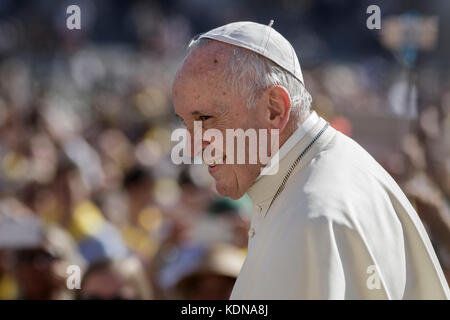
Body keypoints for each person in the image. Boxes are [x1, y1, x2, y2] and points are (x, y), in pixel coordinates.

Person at [172, 21, 450, 299]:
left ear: (273, 110)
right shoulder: (309, 178)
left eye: (205, 119)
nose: (194, 147)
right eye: (186, 124)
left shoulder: (315, 218)